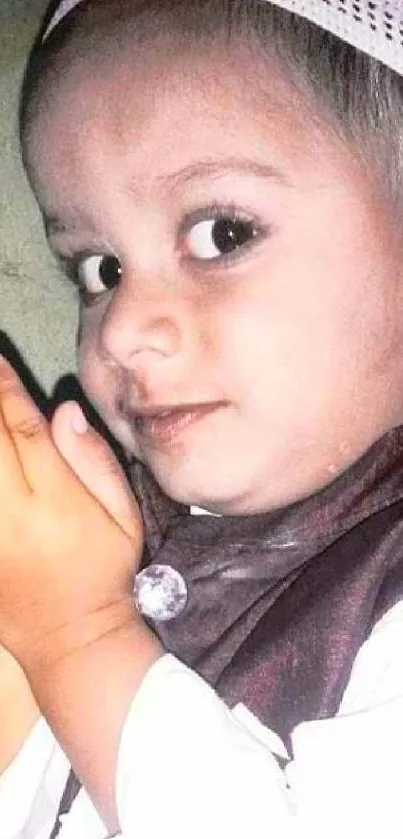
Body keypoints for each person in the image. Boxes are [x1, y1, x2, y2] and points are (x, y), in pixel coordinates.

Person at [2, 0, 403, 835]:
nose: (118, 326)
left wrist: (79, 637)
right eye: (99, 266)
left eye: (222, 232)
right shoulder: (114, 530)